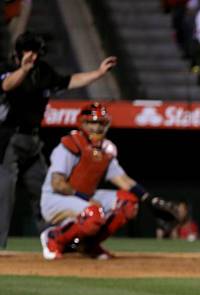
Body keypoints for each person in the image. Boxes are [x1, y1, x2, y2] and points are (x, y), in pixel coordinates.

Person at [0, 32, 117, 249]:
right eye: (29, 51)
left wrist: (98, 73)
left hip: (33, 142)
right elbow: (7, 85)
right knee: (4, 197)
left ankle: (54, 241)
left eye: (36, 52)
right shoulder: (6, 68)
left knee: (46, 194)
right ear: (18, 53)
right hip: (8, 141)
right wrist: (23, 69)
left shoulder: (43, 71)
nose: (33, 56)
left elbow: (69, 81)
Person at [39, 103, 149, 260]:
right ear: (82, 123)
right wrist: (87, 200)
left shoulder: (106, 150)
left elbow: (123, 180)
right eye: (92, 122)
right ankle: (53, 237)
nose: (97, 127)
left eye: (101, 123)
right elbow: (58, 184)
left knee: (128, 204)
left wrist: (149, 199)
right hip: (56, 199)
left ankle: (89, 245)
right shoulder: (70, 145)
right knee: (94, 213)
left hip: (85, 197)